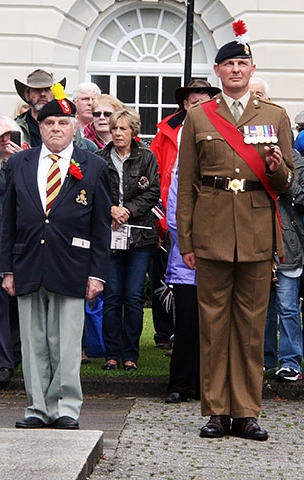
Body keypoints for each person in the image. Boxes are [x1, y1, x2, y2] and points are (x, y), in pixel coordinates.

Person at [177, 19, 294, 441]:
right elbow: (186, 183)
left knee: (250, 326)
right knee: (213, 325)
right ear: (218, 71)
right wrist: (184, 239)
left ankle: (246, 411)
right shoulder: (199, 117)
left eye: (242, 63)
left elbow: (287, 185)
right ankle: (216, 411)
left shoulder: (275, 115)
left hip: (257, 231)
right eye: (228, 64)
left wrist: (278, 168)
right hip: (210, 232)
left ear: (251, 68)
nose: (236, 70)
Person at [0, 85, 111, 429]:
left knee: (65, 342)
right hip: (28, 262)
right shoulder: (19, 163)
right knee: (33, 343)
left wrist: (98, 273)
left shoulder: (92, 165)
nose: (56, 130)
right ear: (40, 127)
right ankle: (37, 408)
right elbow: (9, 220)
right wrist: (6, 269)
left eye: (63, 123)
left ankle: (66, 408)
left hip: (73, 265)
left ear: (74, 128)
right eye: (50, 125)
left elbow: (101, 224)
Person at [150, 79, 221, 350]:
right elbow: (155, 172)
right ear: (185, 104)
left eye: (204, 102)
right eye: (194, 103)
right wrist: (161, 217)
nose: (200, 108)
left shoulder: (219, 130)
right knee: (171, 283)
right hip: (169, 217)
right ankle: (168, 335)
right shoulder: (167, 131)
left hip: (210, 224)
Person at [96, 108, 160, 371]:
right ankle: (112, 353)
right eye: (114, 129)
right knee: (111, 296)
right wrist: (111, 208)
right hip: (109, 234)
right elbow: (94, 191)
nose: (118, 133)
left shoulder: (147, 157)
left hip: (140, 234)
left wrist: (129, 209)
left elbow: (153, 192)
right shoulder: (100, 158)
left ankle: (130, 354)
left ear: (134, 131)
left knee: (133, 297)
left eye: (123, 128)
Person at [0, 115, 26, 383]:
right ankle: (3, 364)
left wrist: (20, 161)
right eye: (0, 136)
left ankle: (16, 354)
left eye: (10, 135)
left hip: (21, 240)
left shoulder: (28, 160)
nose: (6, 141)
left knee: (21, 301)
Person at [264, 131, 304, 380]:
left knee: (288, 307)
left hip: (288, 245)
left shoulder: (301, 163)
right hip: (259, 243)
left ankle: (290, 362)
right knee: (261, 309)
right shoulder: (255, 161)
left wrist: (285, 180)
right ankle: (264, 359)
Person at [164, 173, 200, 403]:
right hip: (187, 263)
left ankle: (206, 384)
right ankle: (181, 383)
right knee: (187, 324)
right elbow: (174, 217)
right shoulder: (182, 176)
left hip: (218, 260)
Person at [14, 69, 66, 146]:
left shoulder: (67, 126)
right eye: (37, 90)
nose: (42, 94)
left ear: (54, 95)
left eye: (47, 89)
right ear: (27, 96)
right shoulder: (15, 127)